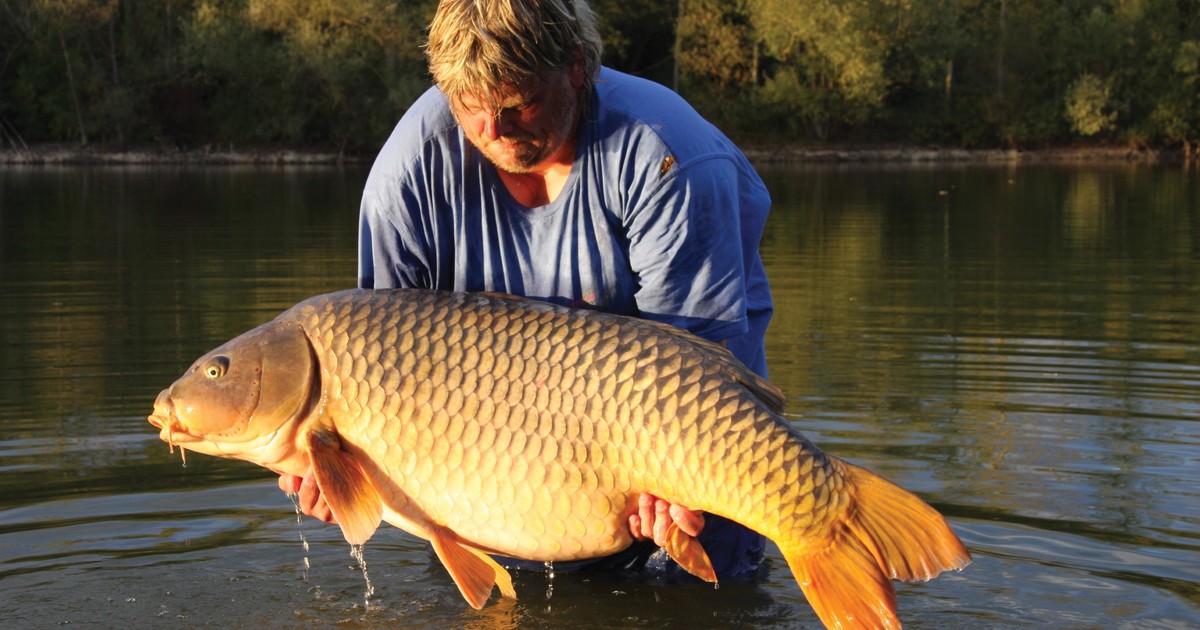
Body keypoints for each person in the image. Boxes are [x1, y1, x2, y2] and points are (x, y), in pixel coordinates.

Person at [281, 0, 773, 580]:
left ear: (574, 67)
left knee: (709, 582)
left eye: (518, 103)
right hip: (488, 488)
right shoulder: (408, 175)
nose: (494, 130)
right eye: (470, 107)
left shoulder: (666, 155)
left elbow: (700, 373)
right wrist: (340, 474)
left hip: (670, 465)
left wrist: (677, 485)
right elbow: (377, 377)